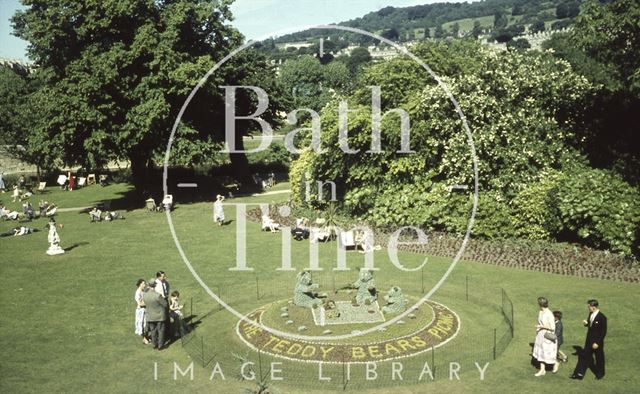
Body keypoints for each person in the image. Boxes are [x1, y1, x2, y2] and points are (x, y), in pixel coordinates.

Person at [571, 299, 607, 380]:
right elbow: (590, 324)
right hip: (589, 340)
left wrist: (597, 343)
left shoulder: (602, 317)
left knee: (599, 358)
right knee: (584, 356)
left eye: (589, 307)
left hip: (597, 343)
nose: (588, 308)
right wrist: (586, 323)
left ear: (593, 307)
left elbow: (603, 332)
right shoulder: (591, 313)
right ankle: (578, 374)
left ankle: (600, 374)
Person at [532, 296, 558, 376]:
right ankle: (542, 370)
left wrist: (541, 326)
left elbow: (553, 328)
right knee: (541, 352)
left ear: (541, 304)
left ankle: (556, 363)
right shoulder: (540, 312)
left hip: (547, 335)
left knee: (547, 353)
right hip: (540, 335)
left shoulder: (549, 314)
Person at [142, 279, 168, 350]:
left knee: (153, 331)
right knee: (160, 330)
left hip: (150, 316)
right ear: (155, 285)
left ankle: (154, 344)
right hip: (159, 316)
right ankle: (160, 345)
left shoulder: (145, 295)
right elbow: (165, 304)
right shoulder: (157, 295)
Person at [134, 279, 149, 345]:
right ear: (140, 284)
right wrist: (149, 303)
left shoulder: (143, 291)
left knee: (146, 324)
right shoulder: (138, 293)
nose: (144, 285)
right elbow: (140, 304)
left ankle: (146, 336)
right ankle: (144, 338)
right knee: (142, 325)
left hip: (145, 310)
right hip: (141, 311)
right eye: (143, 284)